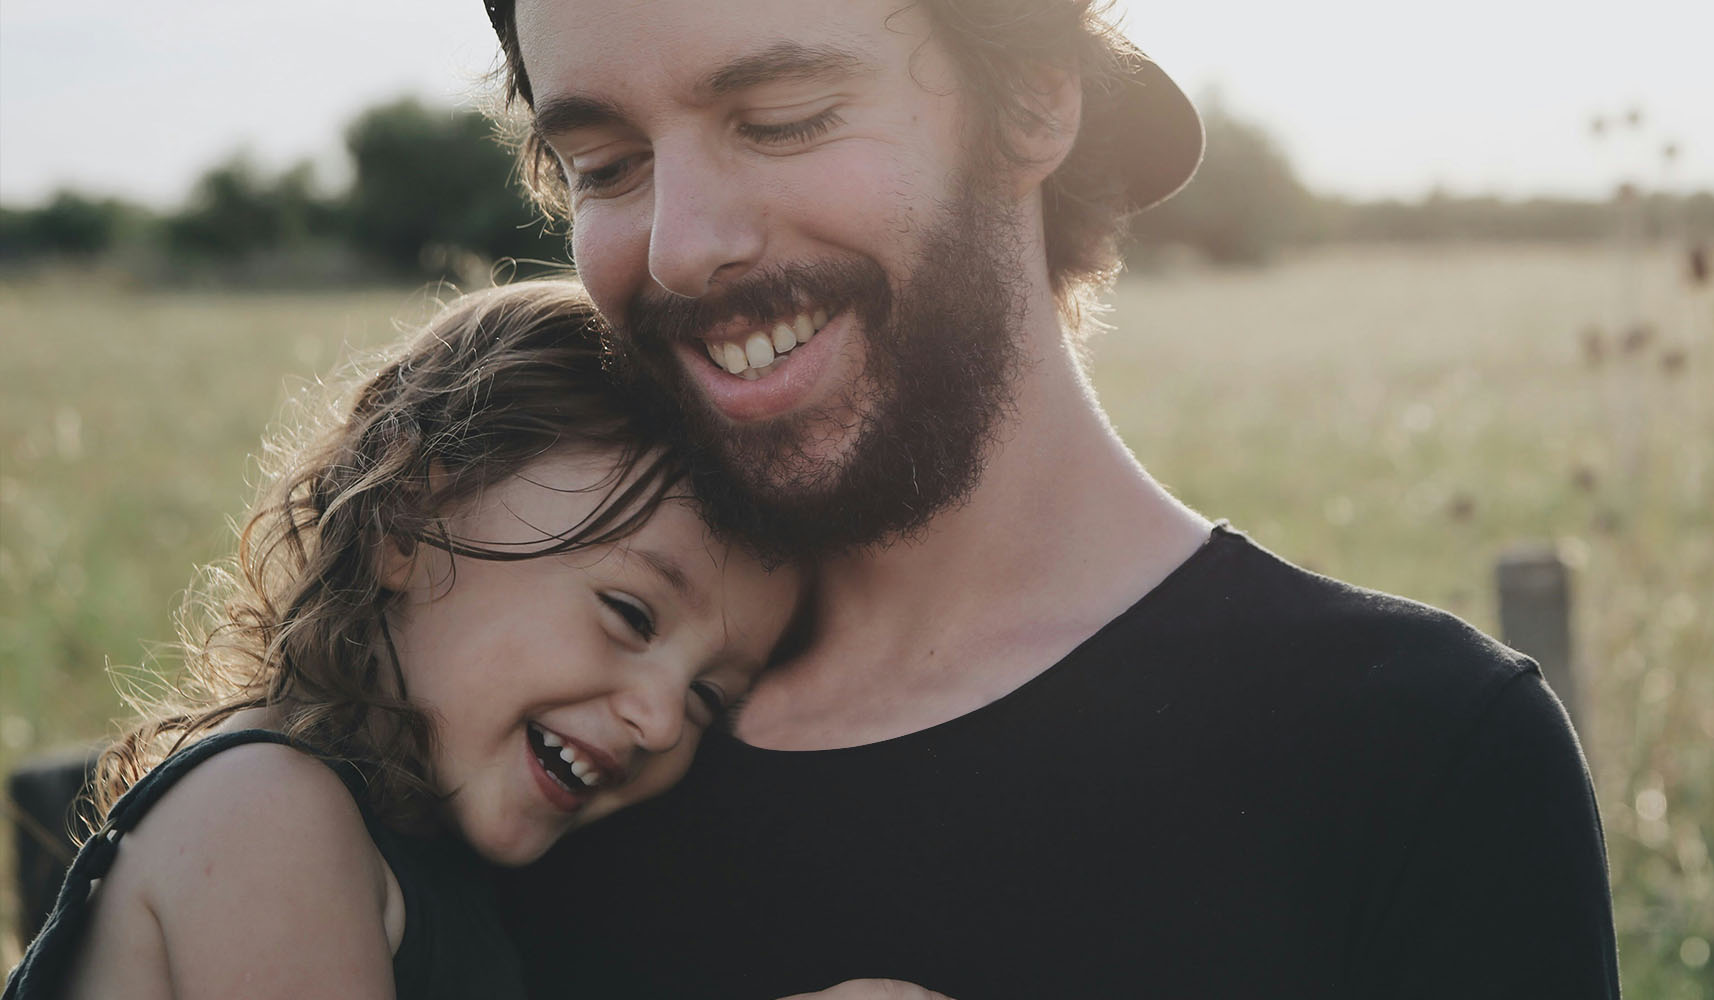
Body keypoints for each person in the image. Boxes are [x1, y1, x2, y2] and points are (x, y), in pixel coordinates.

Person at [486, 1, 1623, 996]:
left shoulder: (1419, 754)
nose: (683, 246)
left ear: (1030, 108)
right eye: (606, 166)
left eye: (781, 117)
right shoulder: (538, 738)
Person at [3, 282, 801, 999]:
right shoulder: (266, 817)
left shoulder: (431, 858)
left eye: (708, 697)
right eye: (630, 613)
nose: (662, 720)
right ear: (406, 520)